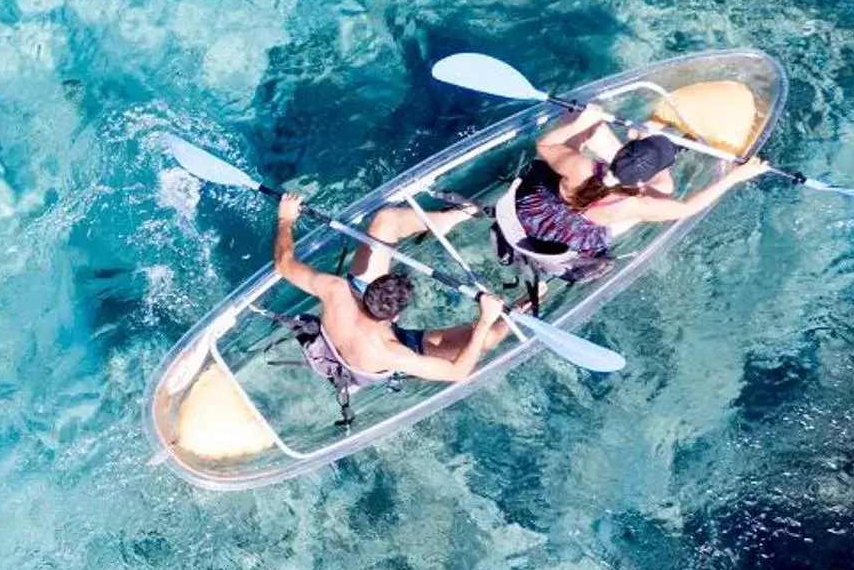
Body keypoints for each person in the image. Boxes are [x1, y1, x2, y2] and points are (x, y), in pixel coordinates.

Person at [270, 192, 510, 397]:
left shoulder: (336, 290)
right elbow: (458, 372)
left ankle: (455, 216)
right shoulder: (392, 353)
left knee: (386, 220)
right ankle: (524, 306)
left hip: (351, 321)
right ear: (394, 316)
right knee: (484, 338)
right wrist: (487, 318)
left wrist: (285, 218)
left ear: (371, 288)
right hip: (367, 357)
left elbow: (284, 264)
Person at [505, 106, 771, 274]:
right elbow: (689, 207)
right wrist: (736, 176)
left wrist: (579, 123)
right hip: (569, 239)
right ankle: (663, 145)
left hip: (534, 212)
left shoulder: (581, 168)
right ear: (644, 180)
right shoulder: (636, 205)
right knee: (665, 188)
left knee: (584, 124)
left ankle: (635, 137)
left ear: (622, 153)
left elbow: (544, 146)